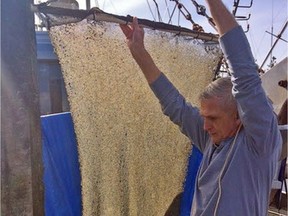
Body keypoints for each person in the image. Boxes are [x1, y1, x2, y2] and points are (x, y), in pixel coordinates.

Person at [120, 0, 282, 215]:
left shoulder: (260, 142)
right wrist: (140, 54)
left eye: (213, 118)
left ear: (239, 116)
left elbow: (244, 74)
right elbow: (174, 105)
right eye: (204, 117)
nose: (205, 126)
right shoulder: (210, 140)